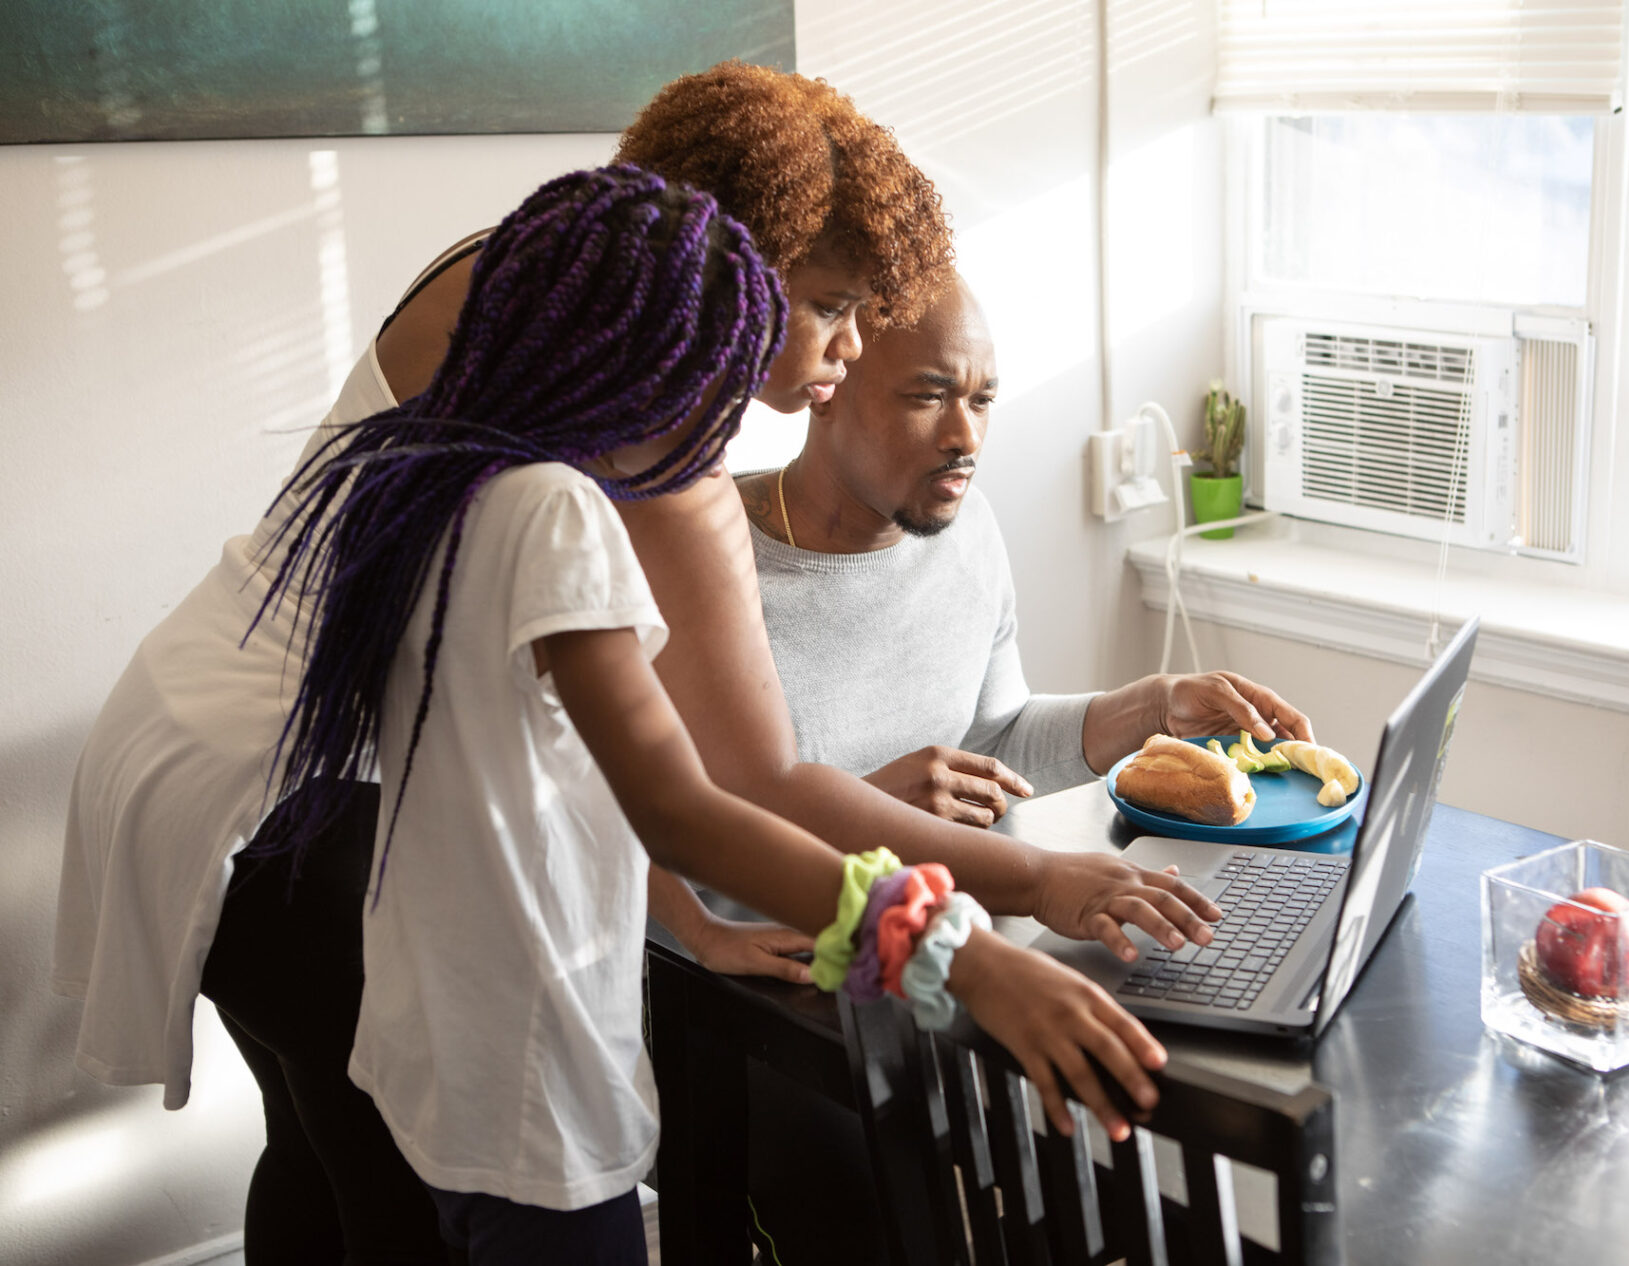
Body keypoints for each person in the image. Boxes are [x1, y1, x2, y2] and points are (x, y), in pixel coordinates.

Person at [53, 62, 1213, 1263]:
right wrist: (995, 922)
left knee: (325, 1152)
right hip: (295, 810)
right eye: (829, 304)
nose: (849, 348)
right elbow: (724, 794)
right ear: (733, 276)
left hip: (194, 734)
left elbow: (636, 767)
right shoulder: (621, 473)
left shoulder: (512, 308)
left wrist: (688, 921)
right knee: (396, 1198)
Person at [738, 273, 1314, 823]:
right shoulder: (716, 555)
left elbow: (997, 740)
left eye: (982, 400)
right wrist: (865, 813)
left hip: (931, 903)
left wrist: (1155, 708)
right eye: (927, 397)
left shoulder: (968, 529)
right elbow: (676, 835)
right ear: (825, 387)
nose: (965, 437)